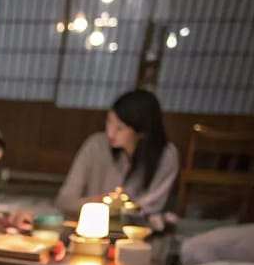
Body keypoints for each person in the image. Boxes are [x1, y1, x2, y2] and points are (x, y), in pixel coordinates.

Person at [55, 89, 179, 217]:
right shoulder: (96, 145)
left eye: (120, 128)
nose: (110, 133)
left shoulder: (165, 155)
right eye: (109, 122)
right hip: (91, 222)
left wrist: (121, 206)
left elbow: (151, 205)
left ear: (142, 131)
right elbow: (65, 201)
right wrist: (98, 202)